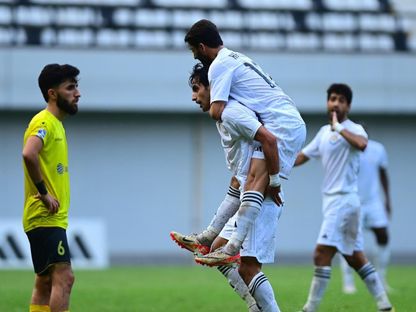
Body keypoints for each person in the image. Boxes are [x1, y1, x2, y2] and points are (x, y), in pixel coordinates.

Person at [182, 19, 306, 266]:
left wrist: (274, 181)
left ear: (203, 46)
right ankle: (213, 239)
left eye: (194, 50)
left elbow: (217, 111)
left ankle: (232, 245)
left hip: (281, 125)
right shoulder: (236, 57)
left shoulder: (218, 66)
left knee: (252, 182)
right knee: (244, 180)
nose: (194, 55)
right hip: (286, 120)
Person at [171, 63, 283, 311]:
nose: (193, 96)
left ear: (214, 87)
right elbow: (238, 177)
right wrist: (211, 231)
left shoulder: (234, 113)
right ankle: (255, 306)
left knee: (249, 268)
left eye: (196, 88)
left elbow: (269, 140)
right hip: (248, 195)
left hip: (259, 199)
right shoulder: (224, 119)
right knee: (216, 250)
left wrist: (273, 181)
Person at [294, 83, 393, 312]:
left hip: (343, 201)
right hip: (334, 202)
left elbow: (362, 144)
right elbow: (303, 157)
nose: (335, 103)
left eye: (340, 100)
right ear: (327, 103)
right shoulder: (322, 133)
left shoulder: (354, 129)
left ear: (348, 105)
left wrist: (338, 128)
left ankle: (309, 308)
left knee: (320, 254)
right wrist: (276, 163)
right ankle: (384, 304)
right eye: (332, 99)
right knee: (355, 256)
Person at [22, 64, 80, 312]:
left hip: (47, 218)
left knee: (45, 282)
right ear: (52, 93)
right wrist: (44, 193)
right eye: (70, 87)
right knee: (65, 278)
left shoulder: (56, 123)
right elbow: (28, 154)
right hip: (45, 217)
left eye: (76, 86)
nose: (77, 93)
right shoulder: (44, 121)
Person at [340, 136, 393, 294]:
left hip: (373, 202)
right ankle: (348, 282)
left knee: (383, 235)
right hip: (352, 200)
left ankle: (382, 279)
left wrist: (388, 200)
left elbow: (383, 173)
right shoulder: (346, 149)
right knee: (350, 240)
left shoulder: (378, 149)